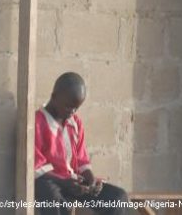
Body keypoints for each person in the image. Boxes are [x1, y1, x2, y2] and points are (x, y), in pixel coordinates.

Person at [35, 72, 129, 215]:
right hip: (53, 183)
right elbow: (37, 168)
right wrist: (64, 183)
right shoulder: (37, 122)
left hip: (74, 183)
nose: (72, 111)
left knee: (118, 197)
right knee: (50, 193)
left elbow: (81, 159)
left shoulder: (75, 123)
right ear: (54, 97)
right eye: (68, 106)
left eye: (76, 108)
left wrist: (90, 180)